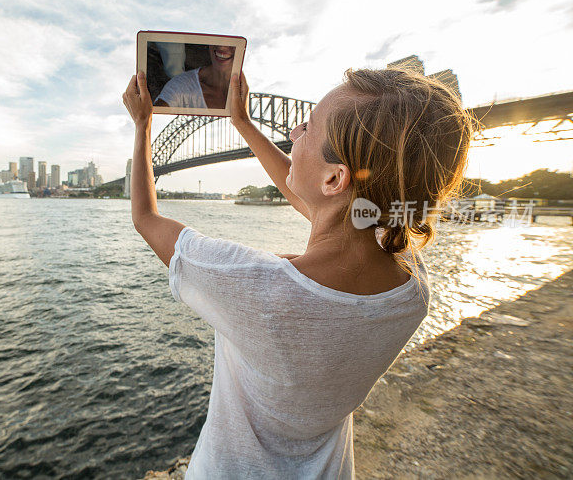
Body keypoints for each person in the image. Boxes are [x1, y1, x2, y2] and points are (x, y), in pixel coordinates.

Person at [122, 67, 472, 479]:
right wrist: (243, 123)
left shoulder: (254, 285)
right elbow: (333, 209)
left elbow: (146, 218)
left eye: (308, 129)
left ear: (334, 177)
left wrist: (142, 124)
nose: (294, 129)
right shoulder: (412, 285)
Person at [155, 45, 235, 109]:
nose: (222, 47)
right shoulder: (180, 86)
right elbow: (155, 116)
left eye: (232, 41)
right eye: (217, 38)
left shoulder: (243, 96)